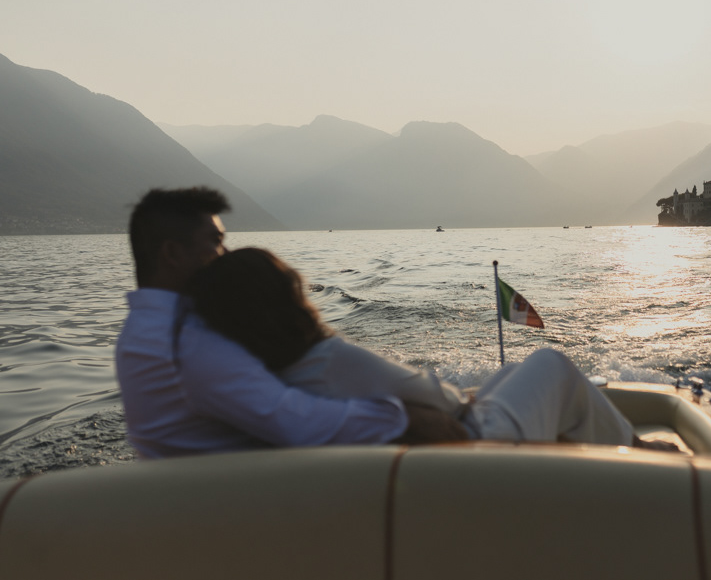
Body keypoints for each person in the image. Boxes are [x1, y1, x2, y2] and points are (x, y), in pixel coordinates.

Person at [115, 187, 466, 459]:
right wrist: (405, 416)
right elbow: (297, 423)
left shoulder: (144, 329)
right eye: (216, 243)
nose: (225, 256)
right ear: (173, 254)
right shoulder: (188, 341)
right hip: (255, 502)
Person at [186, 247, 650, 447]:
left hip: (455, 436)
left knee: (511, 372)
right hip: (475, 443)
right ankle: (643, 454)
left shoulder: (279, 373)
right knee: (551, 363)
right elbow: (430, 401)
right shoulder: (326, 360)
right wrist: (459, 401)